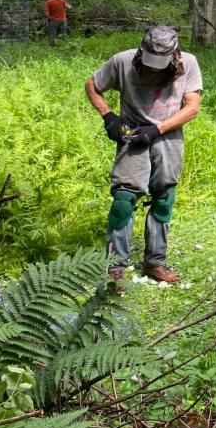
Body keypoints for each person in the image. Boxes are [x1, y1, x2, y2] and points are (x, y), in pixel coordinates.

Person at [85, 25, 203, 283]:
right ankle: (114, 268)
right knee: (123, 199)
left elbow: (192, 108)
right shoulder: (122, 61)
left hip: (168, 135)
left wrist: (158, 129)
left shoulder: (189, 63)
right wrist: (108, 117)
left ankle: (155, 263)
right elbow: (93, 85)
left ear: (174, 55)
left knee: (163, 197)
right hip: (132, 134)